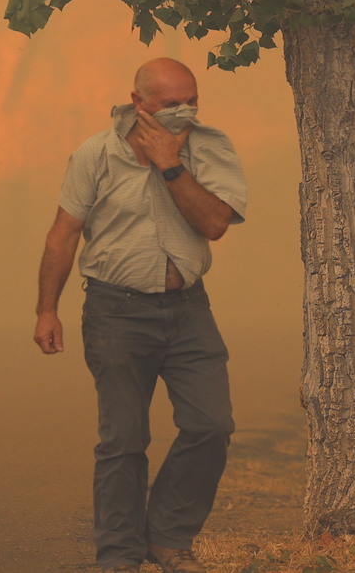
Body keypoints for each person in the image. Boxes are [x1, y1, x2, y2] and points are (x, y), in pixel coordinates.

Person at [33, 57, 247, 573]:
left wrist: (171, 164)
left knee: (211, 425)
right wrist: (47, 310)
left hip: (189, 309)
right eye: (171, 104)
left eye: (191, 101)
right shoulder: (96, 154)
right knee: (123, 441)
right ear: (138, 103)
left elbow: (216, 224)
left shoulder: (207, 147)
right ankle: (120, 556)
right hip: (116, 311)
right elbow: (64, 234)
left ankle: (169, 537)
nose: (184, 112)